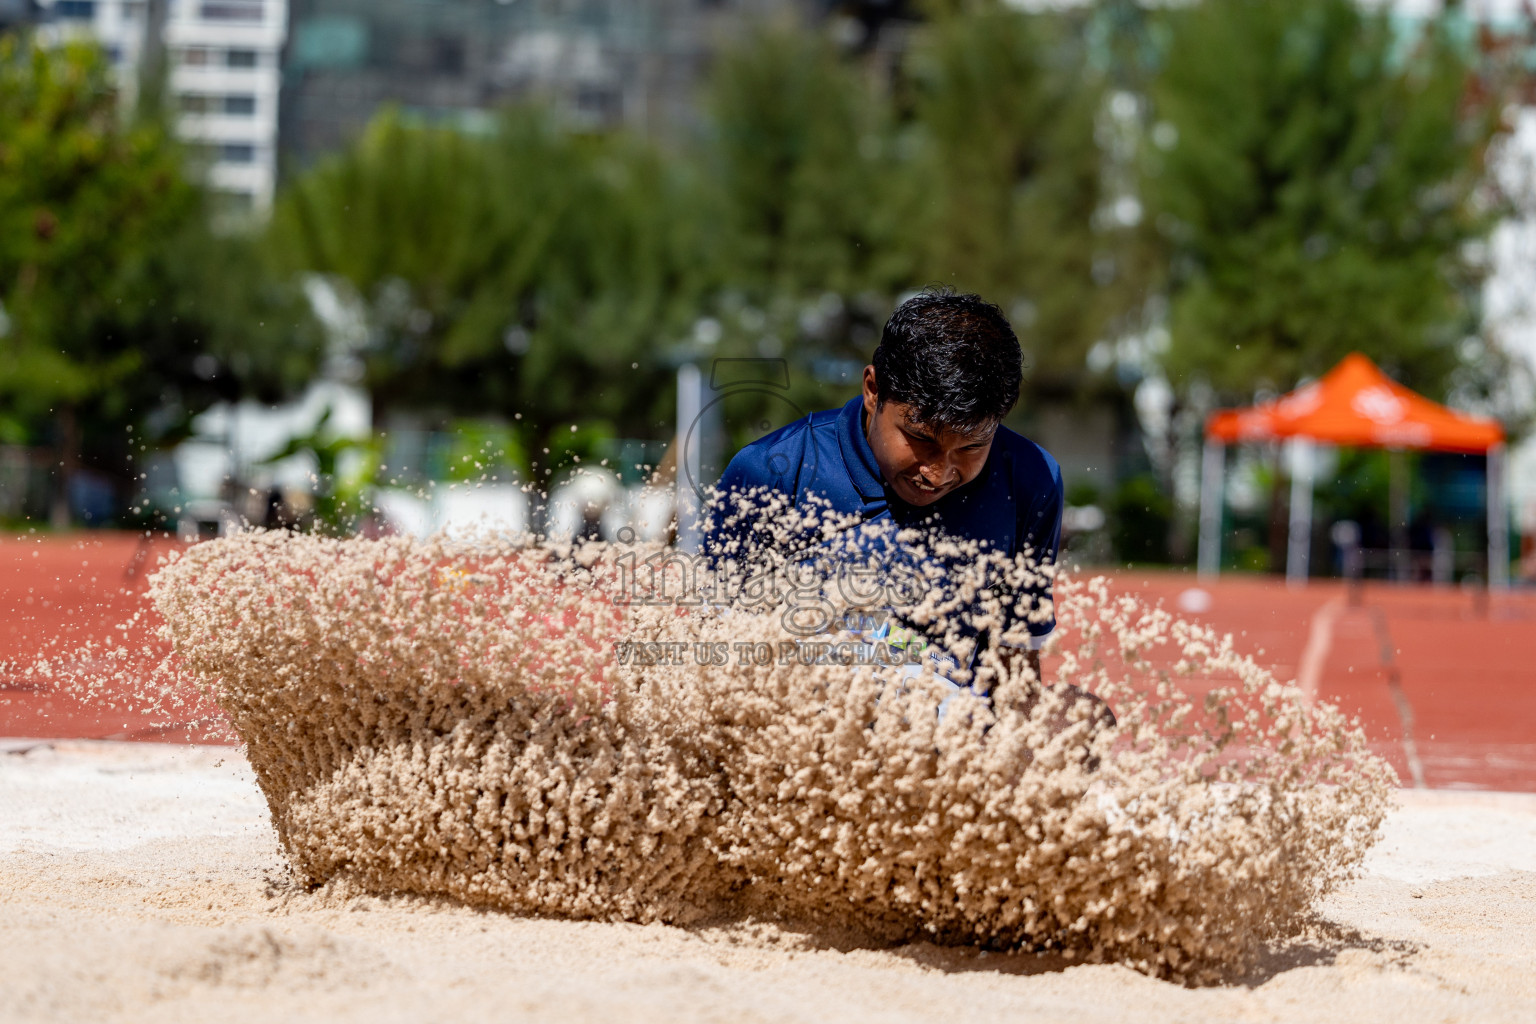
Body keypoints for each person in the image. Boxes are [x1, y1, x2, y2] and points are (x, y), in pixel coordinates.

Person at [703, 290, 1111, 727]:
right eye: (920, 439)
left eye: (971, 447)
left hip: (949, 734)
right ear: (873, 390)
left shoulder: (1032, 482)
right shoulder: (772, 473)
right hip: (806, 721)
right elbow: (719, 656)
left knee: (1083, 721)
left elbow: (1014, 670)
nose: (937, 473)